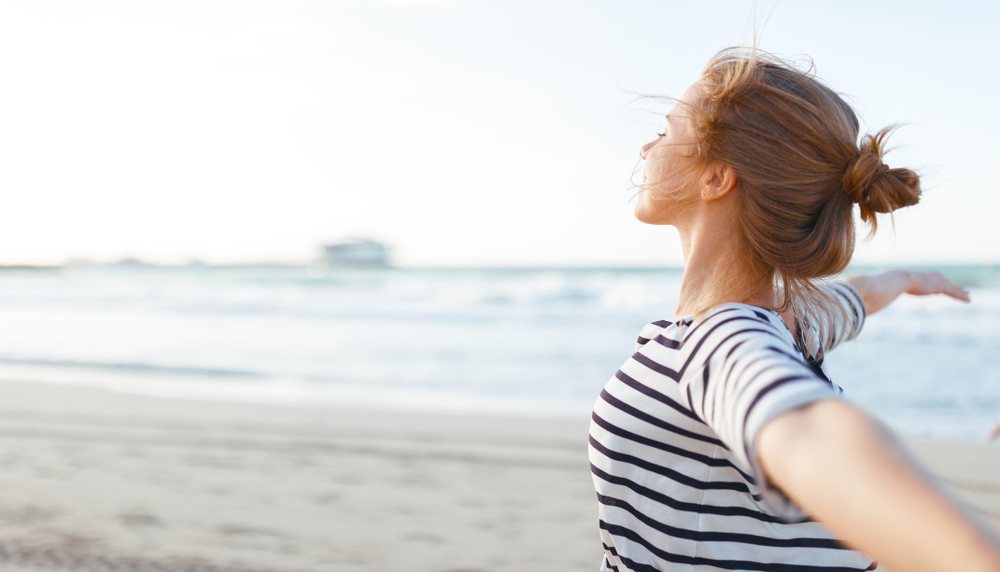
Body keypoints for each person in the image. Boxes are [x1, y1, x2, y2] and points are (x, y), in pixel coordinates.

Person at [590, 47, 1000, 572]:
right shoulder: (790, 320)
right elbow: (858, 297)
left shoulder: (722, 339)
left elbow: (810, 435)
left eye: (666, 132)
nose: (647, 146)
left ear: (716, 177)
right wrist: (910, 279)